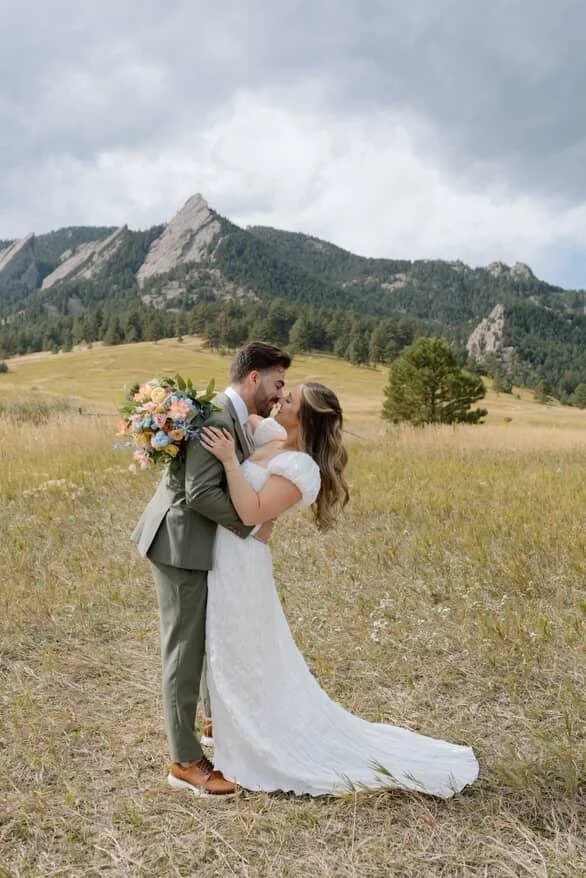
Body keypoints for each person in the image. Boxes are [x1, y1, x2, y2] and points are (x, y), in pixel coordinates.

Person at [197, 383, 479, 798]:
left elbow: (252, 512)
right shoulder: (273, 435)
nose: (280, 401)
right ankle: (229, 724)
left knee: (244, 649)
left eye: (289, 400)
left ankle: (255, 737)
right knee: (230, 646)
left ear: (306, 420)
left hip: (242, 562)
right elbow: (242, 410)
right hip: (223, 555)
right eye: (283, 393)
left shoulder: (301, 468)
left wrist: (227, 461)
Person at [132, 342, 291, 796]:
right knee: (183, 651)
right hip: (179, 544)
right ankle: (185, 762)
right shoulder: (217, 417)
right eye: (277, 383)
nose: (280, 394)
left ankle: (208, 724)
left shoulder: (234, 416)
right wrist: (250, 521)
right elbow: (200, 493)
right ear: (254, 377)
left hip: (194, 544)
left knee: (203, 639)